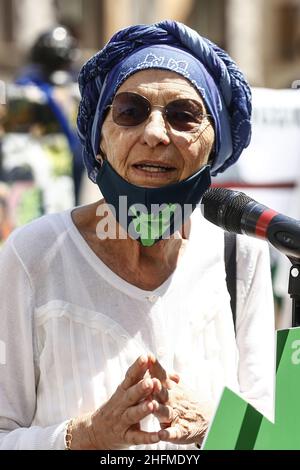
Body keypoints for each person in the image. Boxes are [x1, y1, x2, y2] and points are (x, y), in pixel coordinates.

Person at [0, 20, 275, 450]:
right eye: (130, 111)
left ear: (214, 146)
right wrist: (82, 437)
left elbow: (275, 437)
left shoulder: (239, 253)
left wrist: (212, 424)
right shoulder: (33, 256)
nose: (154, 134)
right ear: (99, 138)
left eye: (184, 115)